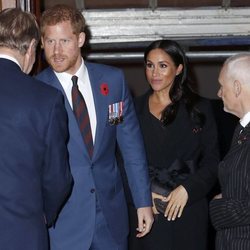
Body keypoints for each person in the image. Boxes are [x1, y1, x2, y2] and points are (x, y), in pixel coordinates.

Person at [36, 4, 153, 250]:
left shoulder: (113, 81)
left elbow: (132, 147)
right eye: (49, 42)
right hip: (61, 225)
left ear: (80, 39)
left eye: (64, 41)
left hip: (110, 219)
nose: (56, 51)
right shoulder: (36, 90)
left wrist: (143, 202)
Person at [128, 39, 220, 250]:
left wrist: (188, 189)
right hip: (146, 211)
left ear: (178, 69)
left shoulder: (200, 108)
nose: (154, 73)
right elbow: (119, 160)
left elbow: (212, 161)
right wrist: (142, 196)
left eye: (163, 65)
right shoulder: (132, 109)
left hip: (187, 208)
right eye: (150, 65)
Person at [0, 8, 73, 250]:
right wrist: (42, 214)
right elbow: (58, 179)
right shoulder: (46, 99)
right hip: (22, 234)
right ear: (31, 47)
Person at [210, 53, 250, 250]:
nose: (218, 93)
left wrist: (219, 207)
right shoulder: (242, 129)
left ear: (236, 88)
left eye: (221, 86)